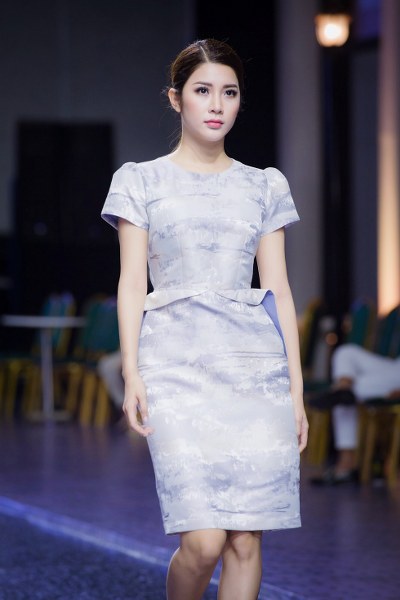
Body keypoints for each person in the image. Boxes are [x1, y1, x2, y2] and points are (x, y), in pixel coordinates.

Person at [101, 38, 308, 600]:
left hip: (254, 371)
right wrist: (132, 373)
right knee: (203, 542)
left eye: (229, 92)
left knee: (245, 542)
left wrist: (295, 387)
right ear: (176, 99)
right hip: (175, 367)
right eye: (202, 90)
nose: (217, 104)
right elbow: (131, 283)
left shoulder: (264, 184)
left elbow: (279, 289)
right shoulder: (140, 181)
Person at [308, 343, 400, 485]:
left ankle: (346, 465)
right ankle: (343, 387)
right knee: (346, 352)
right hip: (394, 366)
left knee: (347, 394)